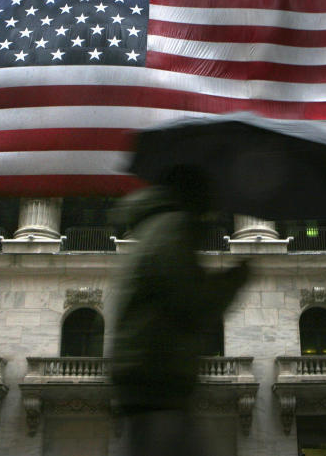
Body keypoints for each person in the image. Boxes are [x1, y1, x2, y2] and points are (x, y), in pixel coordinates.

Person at [111, 168, 250, 456]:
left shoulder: (159, 226)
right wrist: (234, 280)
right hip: (157, 378)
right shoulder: (172, 229)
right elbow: (189, 303)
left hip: (152, 378)